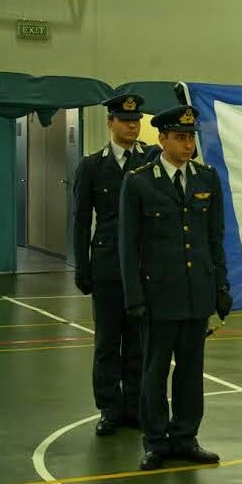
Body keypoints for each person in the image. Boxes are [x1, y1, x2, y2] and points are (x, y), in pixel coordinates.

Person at [118, 105, 233, 470]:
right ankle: (155, 440)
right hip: (158, 294)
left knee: (190, 370)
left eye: (191, 138)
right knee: (154, 371)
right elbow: (128, 244)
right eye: (180, 137)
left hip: (196, 293)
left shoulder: (206, 178)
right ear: (163, 138)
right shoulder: (139, 181)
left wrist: (220, 287)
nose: (188, 145)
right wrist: (134, 295)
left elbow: (215, 238)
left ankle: (185, 437)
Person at [72, 94, 149, 435]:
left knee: (138, 341)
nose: (132, 125)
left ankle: (134, 407)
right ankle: (109, 408)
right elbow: (79, 219)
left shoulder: (151, 159)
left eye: (135, 120)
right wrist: (82, 266)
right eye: (124, 120)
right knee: (107, 342)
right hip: (105, 264)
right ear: (110, 123)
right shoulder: (91, 166)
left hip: (143, 266)